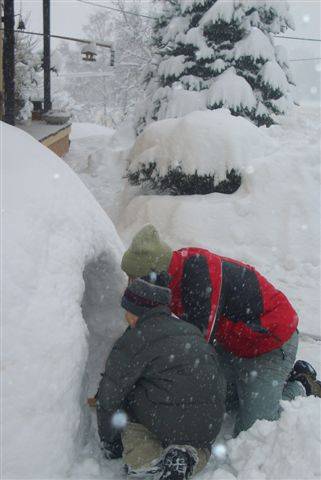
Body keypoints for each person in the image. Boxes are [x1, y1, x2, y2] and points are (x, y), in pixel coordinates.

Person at [121, 224, 321, 436]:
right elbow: (143, 324)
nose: (130, 283)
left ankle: (301, 385)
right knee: (211, 399)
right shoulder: (167, 273)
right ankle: (250, 387)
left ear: (152, 275)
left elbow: (194, 349)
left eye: (134, 278)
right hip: (233, 344)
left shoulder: (199, 278)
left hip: (270, 344)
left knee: (253, 430)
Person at [96, 273, 226, 480]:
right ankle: (188, 456)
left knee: (127, 397)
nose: (125, 317)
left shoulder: (134, 339)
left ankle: (145, 460)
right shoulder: (191, 330)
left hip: (165, 419)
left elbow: (109, 394)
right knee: (198, 441)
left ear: (136, 311)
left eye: (127, 310)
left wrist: (109, 441)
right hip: (208, 422)